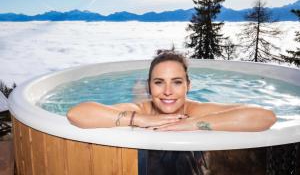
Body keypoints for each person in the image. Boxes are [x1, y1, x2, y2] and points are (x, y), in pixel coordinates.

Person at [67, 50, 277, 132]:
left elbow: (265, 117)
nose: (168, 91)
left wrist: (192, 123)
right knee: (142, 100)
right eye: (159, 82)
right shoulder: (140, 109)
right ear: (151, 86)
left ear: (189, 86)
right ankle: (139, 90)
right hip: (145, 107)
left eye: (176, 82)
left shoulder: (196, 110)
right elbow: (76, 113)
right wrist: (140, 119)